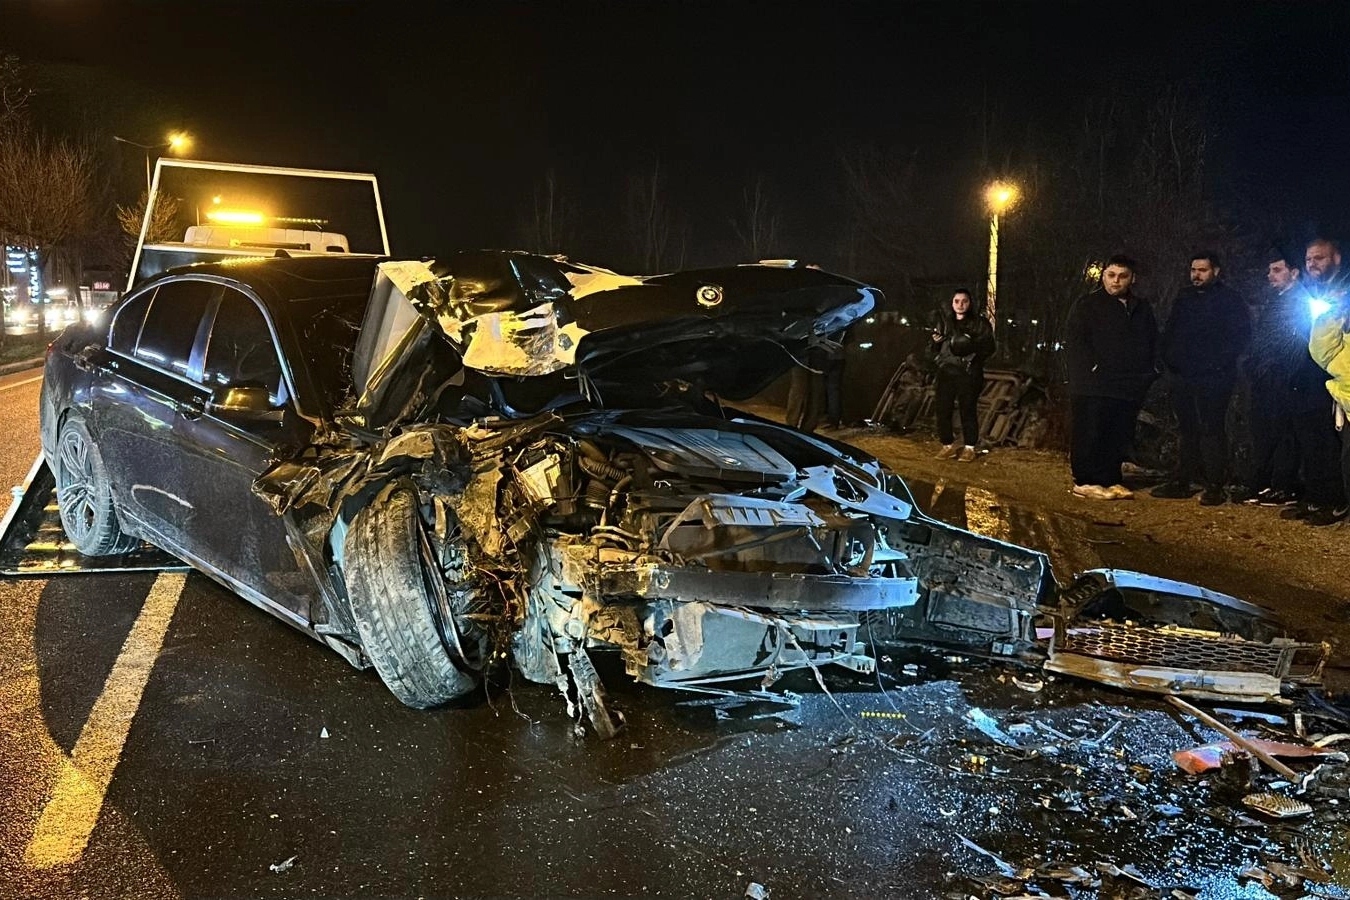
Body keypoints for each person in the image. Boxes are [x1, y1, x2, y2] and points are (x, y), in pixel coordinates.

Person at [1152, 252, 1252, 505]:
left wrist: (1217, 364)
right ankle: (1184, 478)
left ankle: (1215, 484)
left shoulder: (1230, 300)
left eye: (1202, 270)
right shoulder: (1184, 297)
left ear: (1215, 271)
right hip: (1183, 374)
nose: (1196, 275)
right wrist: (1169, 359)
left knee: (1212, 428)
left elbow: (1240, 337)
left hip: (1215, 376)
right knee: (1187, 428)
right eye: (1193, 270)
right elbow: (1171, 329)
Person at [1065, 255, 1158, 500]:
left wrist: (1149, 371)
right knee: (1090, 430)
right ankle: (1085, 480)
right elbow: (1076, 342)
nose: (1116, 281)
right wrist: (1089, 370)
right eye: (1111, 275)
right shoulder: (1088, 305)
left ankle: (1110, 477)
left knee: (1116, 431)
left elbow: (1151, 341)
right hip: (1092, 384)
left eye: (1122, 276)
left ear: (1132, 278)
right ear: (1103, 276)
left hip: (1126, 384)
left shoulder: (1141, 308)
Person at [1232, 251, 1311, 507]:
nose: (1270, 276)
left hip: (1282, 378)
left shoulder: (1298, 302)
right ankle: (1267, 483)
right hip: (1266, 377)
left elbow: (1295, 342)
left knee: (1283, 432)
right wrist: (1254, 365)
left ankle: (1283, 485)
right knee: (1266, 431)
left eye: (1277, 270)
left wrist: (1276, 370)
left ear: (1294, 272)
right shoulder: (1277, 301)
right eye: (1269, 271)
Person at [1302, 238, 1350, 526]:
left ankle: (1334, 500)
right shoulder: (1318, 295)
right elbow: (1321, 349)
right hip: (1330, 387)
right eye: (1309, 259)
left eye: (1319, 258)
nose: (1312, 264)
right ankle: (1321, 498)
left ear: (1337, 258)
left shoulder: (1344, 292)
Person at [930, 289, 994, 461]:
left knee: (968, 409)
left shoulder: (979, 324)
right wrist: (935, 343)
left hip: (968, 372)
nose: (960, 305)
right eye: (956, 301)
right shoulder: (944, 323)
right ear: (952, 303)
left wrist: (971, 350)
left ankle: (969, 447)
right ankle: (947, 446)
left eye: (964, 301)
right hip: (946, 370)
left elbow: (989, 347)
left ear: (970, 303)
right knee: (943, 409)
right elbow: (934, 350)